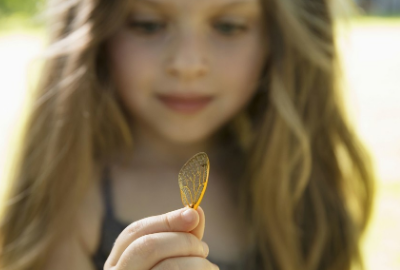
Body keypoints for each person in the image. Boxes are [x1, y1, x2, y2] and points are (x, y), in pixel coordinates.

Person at [0, 0, 375, 269]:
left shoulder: (301, 188)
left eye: (227, 25)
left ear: (277, 40)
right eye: (148, 23)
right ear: (99, 30)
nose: (187, 64)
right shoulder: (73, 201)